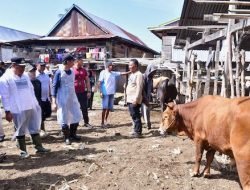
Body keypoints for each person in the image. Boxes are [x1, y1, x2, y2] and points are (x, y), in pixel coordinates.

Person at [0, 57, 50, 158]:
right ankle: (23, 151)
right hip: (17, 109)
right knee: (20, 129)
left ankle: (38, 147)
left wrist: (35, 104)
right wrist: (7, 111)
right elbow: (5, 96)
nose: (23, 69)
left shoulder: (25, 76)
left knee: (34, 126)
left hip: (29, 106)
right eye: (20, 67)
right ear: (13, 65)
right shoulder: (5, 78)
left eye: (24, 67)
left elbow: (31, 90)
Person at [52, 54, 82, 145]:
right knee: (64, 117)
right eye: (72, 61)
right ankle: (66, 137)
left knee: (76, 114)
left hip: (72, 97)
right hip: (62, 98)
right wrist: (53, 102)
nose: (74, 62)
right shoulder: (59, 72)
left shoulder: (72, 71)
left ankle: (73, 134)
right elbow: (54, 87)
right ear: (68, 62)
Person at [98, 61, 130, 128]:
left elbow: (122, 73)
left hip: (111, 93)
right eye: (111, 65)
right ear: (108, 66)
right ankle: (102, 123)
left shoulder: (113, 73)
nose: (112, 67)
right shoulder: (103, 72)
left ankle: (106, 120)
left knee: (109, 108)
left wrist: (130, 72)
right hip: (105, 93)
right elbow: (99, 83)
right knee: (104, 108)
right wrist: (100, 92)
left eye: (112, 66)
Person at [73, 54, 93, 128]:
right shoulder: (72, 70)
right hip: (74, 93)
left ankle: (86, 122)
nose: (83, 62)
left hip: (82, 92)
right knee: (75, 108)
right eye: (81, 60)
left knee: (84, 108)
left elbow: (87, 81)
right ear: (77, 61)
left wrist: (89, 91)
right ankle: (75, 122)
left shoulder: (84, 70)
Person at [126, 59, 144, 138]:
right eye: (129, 65)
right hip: (130, 99)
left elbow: (139, 88)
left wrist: (136, 99)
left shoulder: (139, 74)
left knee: (136, 116)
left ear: (136, 66)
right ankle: (135, 130)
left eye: (131, 65)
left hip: (134, 99)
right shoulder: (132, 74)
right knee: (133, 115)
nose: (129, 67)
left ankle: (138, 132)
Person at [36, 61, 52, 137]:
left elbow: (48, 85)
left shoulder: (46, 75)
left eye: (43, 66)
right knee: (40, 115)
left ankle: (41, 128)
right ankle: (41, 130)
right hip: (39, 98)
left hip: (46, 98)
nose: (43, 67)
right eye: (41, 65)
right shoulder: (35, 75)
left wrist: (50, 96)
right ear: (37, 66)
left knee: (48, 113)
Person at [141, 64, 157, 130]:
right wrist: (144, 98)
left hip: (147, 97)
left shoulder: (151, 79)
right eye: (153, 71)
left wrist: (152, 93)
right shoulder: (143, 77)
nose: (154, 73)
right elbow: (142, 88)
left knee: (146, 110)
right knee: (141, 111)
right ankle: (140, 125)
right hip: (141, 96)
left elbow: (151, 88)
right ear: (149, 70)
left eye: (154, 72)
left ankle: (148, 124)